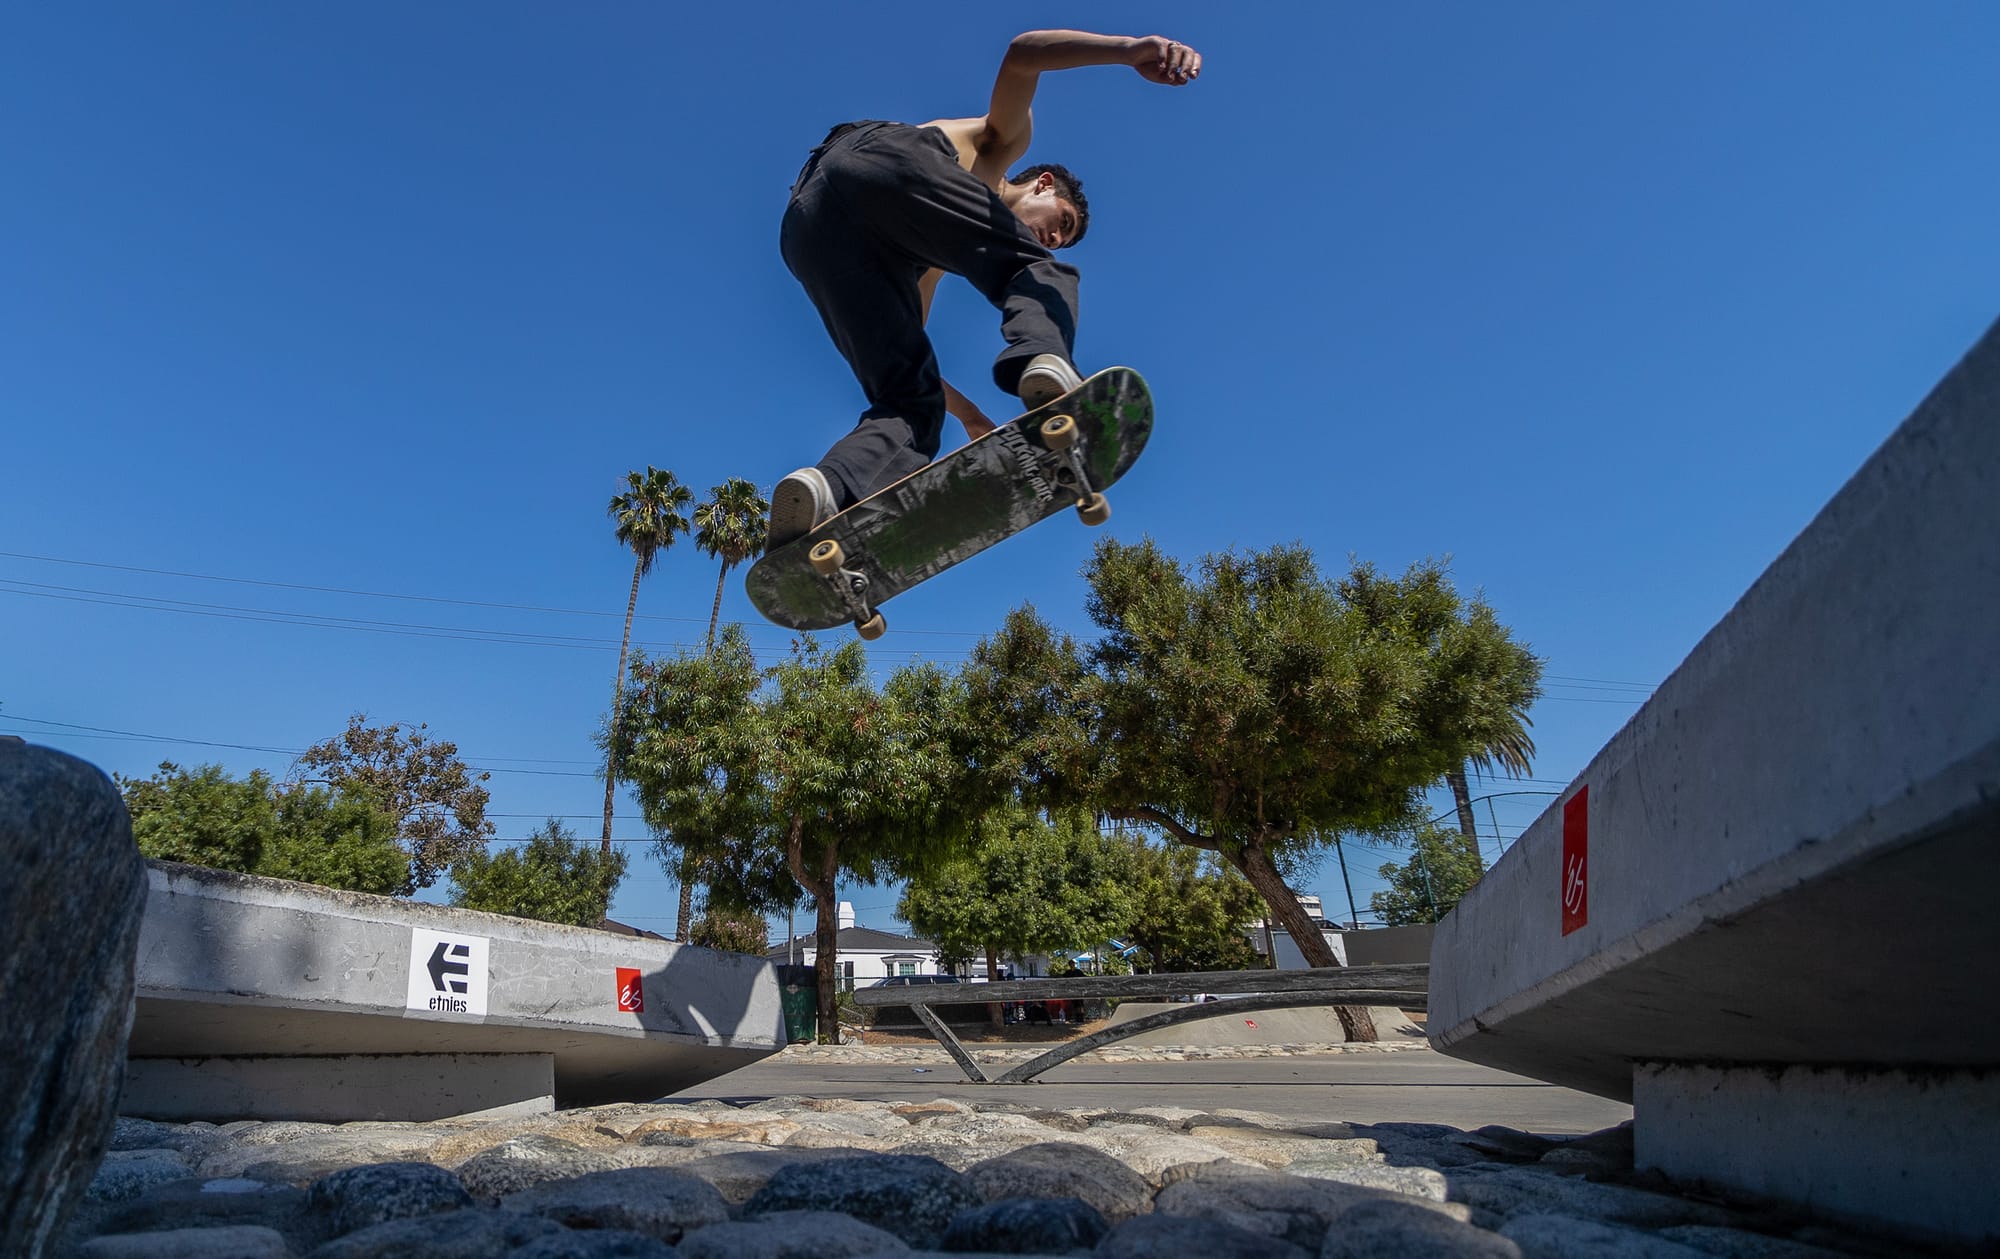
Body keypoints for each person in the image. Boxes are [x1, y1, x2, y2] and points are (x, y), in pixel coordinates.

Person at [767, 28, 1203, 549]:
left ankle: (825, 494)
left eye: (1063, 238)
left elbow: (913, 356)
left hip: (809, 228)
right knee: (1041, 272)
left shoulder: (930, 260)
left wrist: (972, 419)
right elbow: (1022, 55)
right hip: (877, 159)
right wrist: (1127, 50)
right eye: (1061, 222)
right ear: (1041, 183)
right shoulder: (998, 147)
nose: (1056, 238)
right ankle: (1043, 360)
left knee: (908, 397)